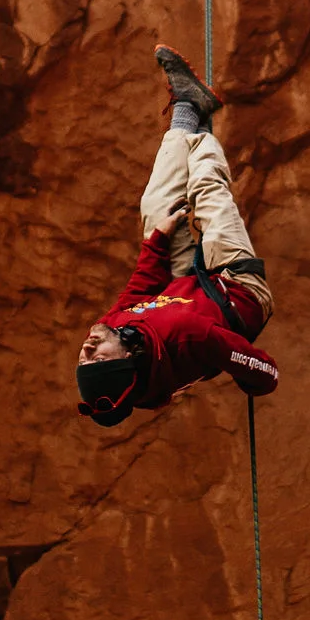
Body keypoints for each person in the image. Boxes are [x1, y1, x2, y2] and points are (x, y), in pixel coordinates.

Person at [76, 45, 278, 427]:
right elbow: (266, 373)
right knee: (205, 186)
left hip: (184, 284)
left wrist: (157, 241)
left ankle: (188, 108)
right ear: (126, 359)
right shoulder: (188, 336)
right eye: (97, 358)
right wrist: (250, 374)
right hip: (236, 288)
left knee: (156, 209)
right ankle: (196, 126)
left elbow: (138, 289)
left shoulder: (117, 328)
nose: (88, 347)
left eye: (83, 359)